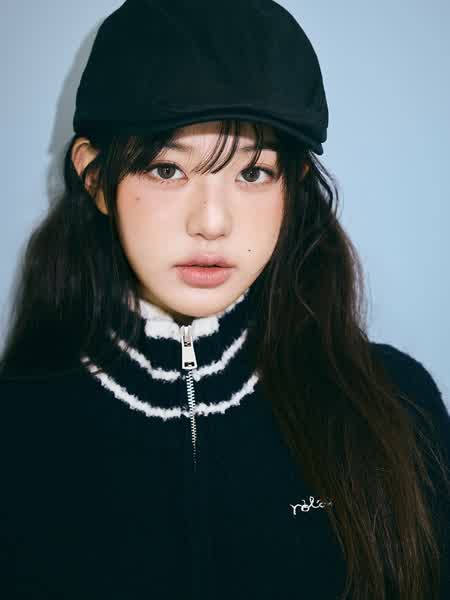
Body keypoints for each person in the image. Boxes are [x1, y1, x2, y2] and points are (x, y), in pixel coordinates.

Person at [1, 1, 449, 599]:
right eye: (167, 170)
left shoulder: (398, 406)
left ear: (293, 186)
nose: (212, 223)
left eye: (253, 173)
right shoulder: (18, 430)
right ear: (97, 179)